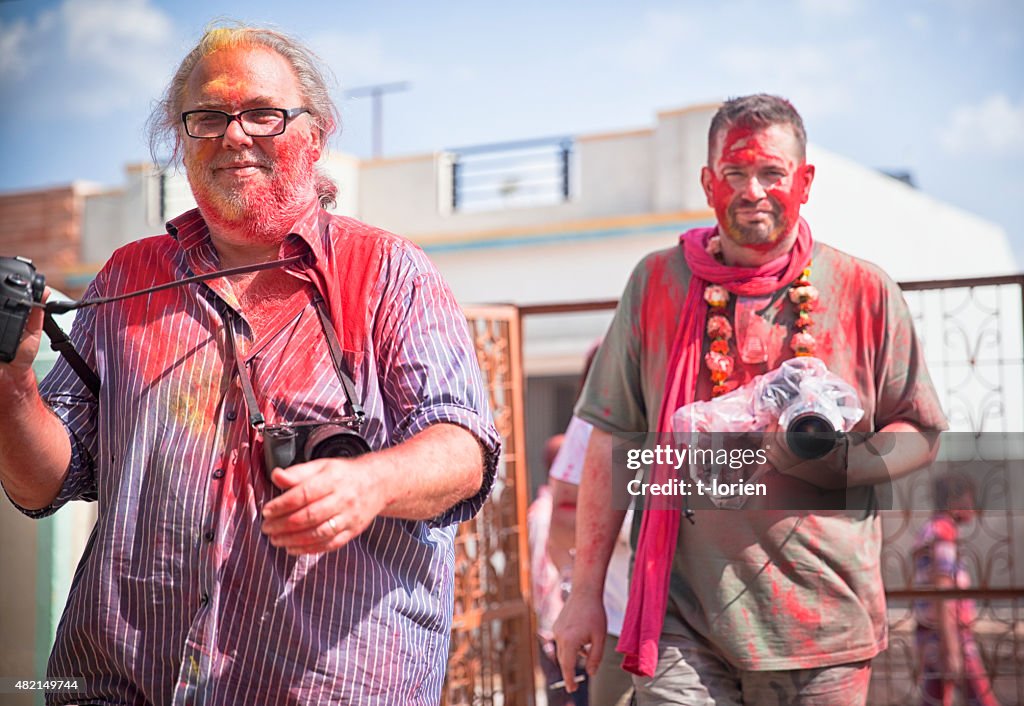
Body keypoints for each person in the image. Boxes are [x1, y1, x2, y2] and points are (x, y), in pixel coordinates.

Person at [0, 23, 498, 705]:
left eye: (264, 113)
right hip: (116, 684)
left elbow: (464, 448)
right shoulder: (124, 278)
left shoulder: (388, 272)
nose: (234, 135)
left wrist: (370, 484)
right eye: (208, 116)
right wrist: (12, 386)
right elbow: (43, 484)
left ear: (314, 135)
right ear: (183, 140)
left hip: (326, 687)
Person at [553, 94, 947, 705]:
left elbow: (920, 431)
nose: (753, 191)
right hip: (681, 620)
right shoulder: (656, 284)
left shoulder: (866, 290)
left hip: (824, 627)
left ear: (805, 181)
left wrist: (841, 464)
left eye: (772, 173)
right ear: (709, 182)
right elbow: (608, 443)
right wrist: (583, 596)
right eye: (735, 173)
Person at [913, 474, 1001, 706]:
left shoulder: (930, 529)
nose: (973, 508)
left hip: (935, 631)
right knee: (979, 696)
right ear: (955, 502)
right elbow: (942, 589)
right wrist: (951, 646)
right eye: (969, 501)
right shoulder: (943, 531)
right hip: (947, 633)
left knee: (935, 696)